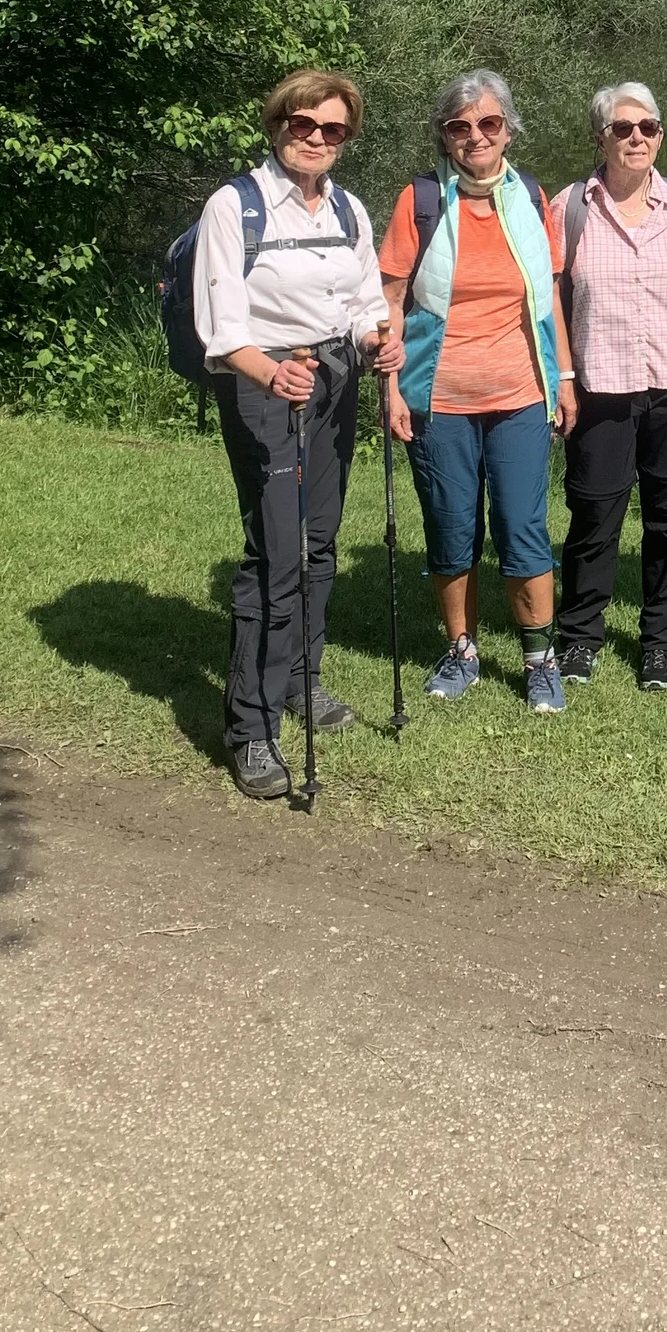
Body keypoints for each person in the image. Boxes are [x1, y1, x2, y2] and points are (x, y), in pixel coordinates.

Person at [193, 70, 401, 801]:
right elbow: (220, 331)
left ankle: (300, 681)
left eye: (333, 129)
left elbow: (364, 302)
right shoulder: (234, 206)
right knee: (275, 556)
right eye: (302, 123)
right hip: (261, 385)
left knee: (319, 544)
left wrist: (379, 341)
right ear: (277, 124)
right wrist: (272, 374)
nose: (315, 138)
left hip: (333, 382)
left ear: (347, 138)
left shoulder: (346, 209)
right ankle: (250, 728)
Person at [377, 71, 578, 715]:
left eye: (488, 124)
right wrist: (389, 389)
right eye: (461, 127)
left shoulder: (533, 197)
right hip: (438, 398)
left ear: (508, 130)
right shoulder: (421, 201)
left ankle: (539, 656)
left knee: (524, 528)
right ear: (445, 136)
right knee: (450, 526)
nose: (475, 137)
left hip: (521, 394)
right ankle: (461, 649)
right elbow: (390, 298)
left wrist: (566, 379)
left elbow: (548, 306)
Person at [549, 84, 667, 693]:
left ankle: (660, 643)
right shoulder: (570, 206)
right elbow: (550, 302)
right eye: (623, 129)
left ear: (660, 136)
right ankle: (579, 637)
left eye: (648, 128)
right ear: (600, 136)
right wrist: (564, 378)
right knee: (594, 513)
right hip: (600, 385)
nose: (637, 139)